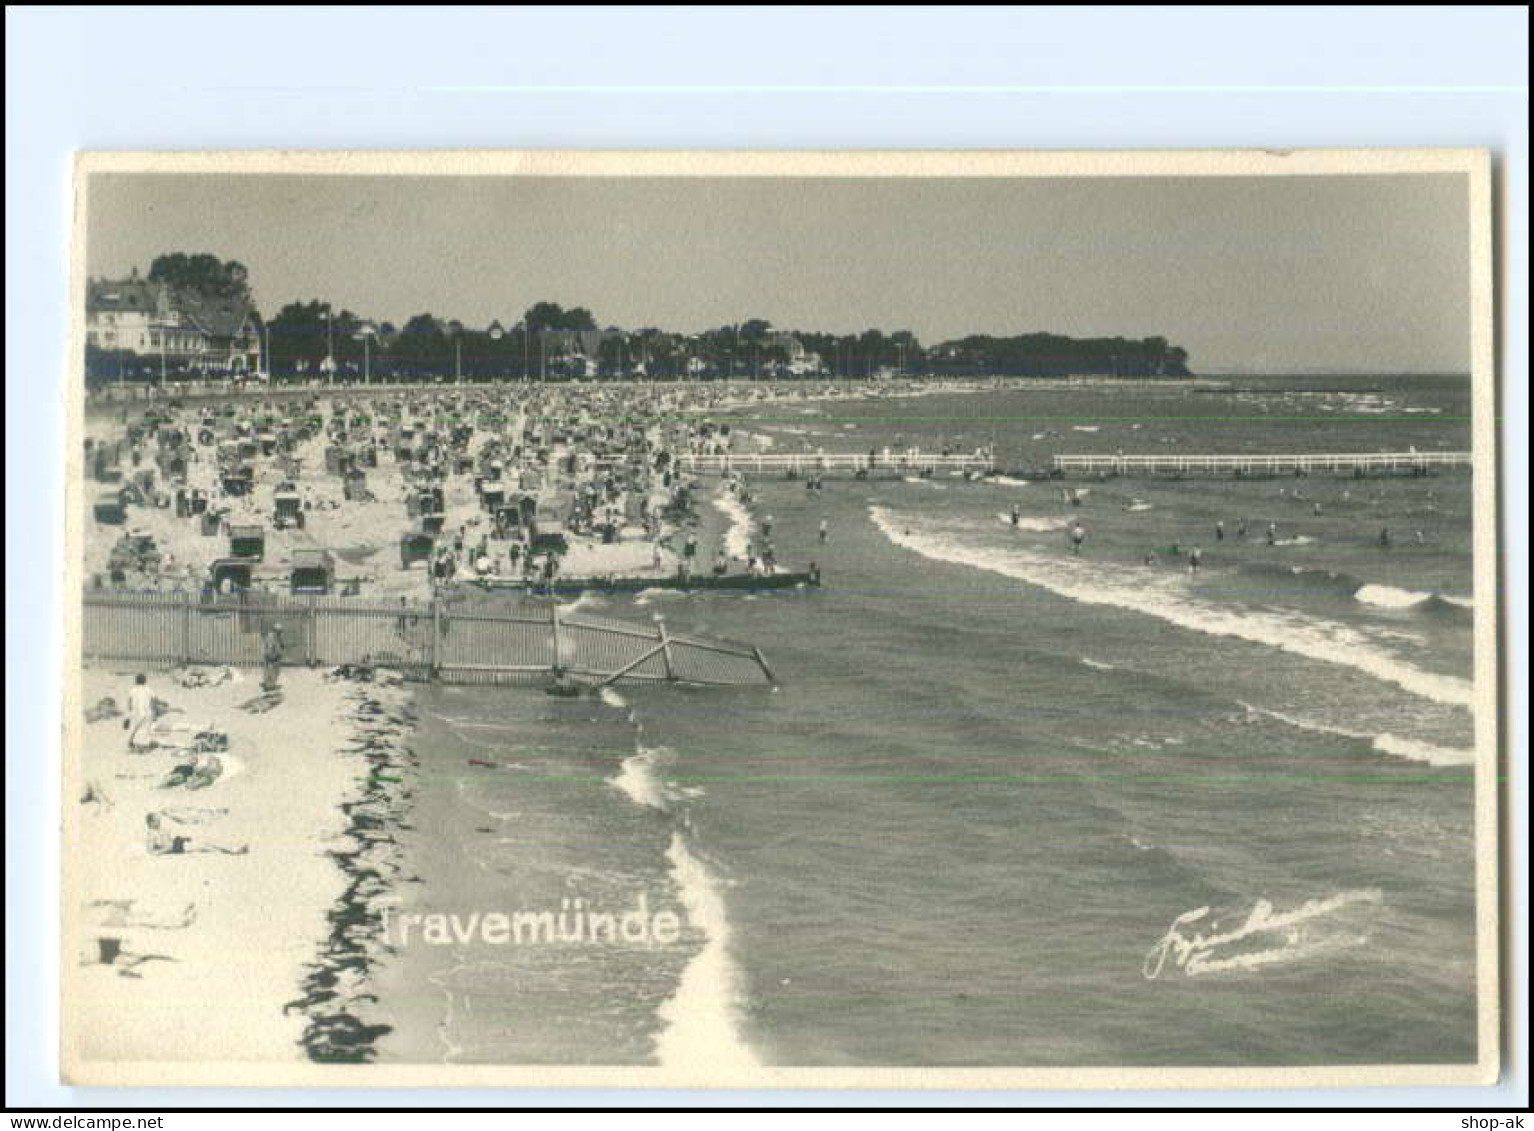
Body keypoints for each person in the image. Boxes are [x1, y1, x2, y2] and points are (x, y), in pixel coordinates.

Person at [125, 674, 155, 752]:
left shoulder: (133, 690)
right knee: (145, 728)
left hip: (136, 712)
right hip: (146, 712)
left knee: (134, 727)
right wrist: (153, 710)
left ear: (136, 681)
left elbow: (129, 701)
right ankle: (143, 744)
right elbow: (153, 700)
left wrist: (129, 712)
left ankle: (132, 742)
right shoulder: (148, 689)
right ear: (145, 681)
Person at [260, 623, 285, 693]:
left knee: (275, 671)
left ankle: (270, 685)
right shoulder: (271, 637)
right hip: (271, 658)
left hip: (275, 657)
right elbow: (269, 648)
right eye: (279, 631)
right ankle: (268, 686)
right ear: (275, 630)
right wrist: (271, 656)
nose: (280, 632)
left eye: (280, 631)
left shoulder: (278, 637)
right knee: (270, 672)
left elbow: (281, 646)